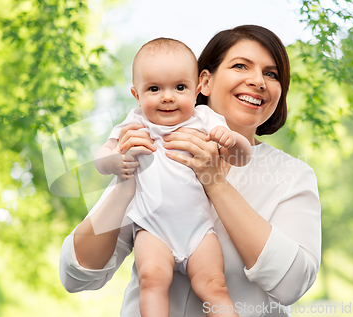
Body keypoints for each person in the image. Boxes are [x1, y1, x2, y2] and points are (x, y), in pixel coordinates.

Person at [60, 25, 322, 317]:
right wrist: (123, 187)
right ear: (205, 83)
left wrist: (215, 182)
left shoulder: (291, 175)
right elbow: (76, 275)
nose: (258, 81)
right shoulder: (152, 149)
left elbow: (293, 284)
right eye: (240, 66)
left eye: (271, 74)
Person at [93, 38, 252, 317]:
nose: (168, 96)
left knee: (214, 286)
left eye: (180, 87)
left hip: (199, 231)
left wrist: (233, 140)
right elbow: (101, 158)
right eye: (154, 88)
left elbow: (243, 158)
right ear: (137, 94)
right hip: (153, 230)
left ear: (197, 89)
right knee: (152, 282)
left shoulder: (205, 119)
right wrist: (114, 160)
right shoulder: (135, 122)